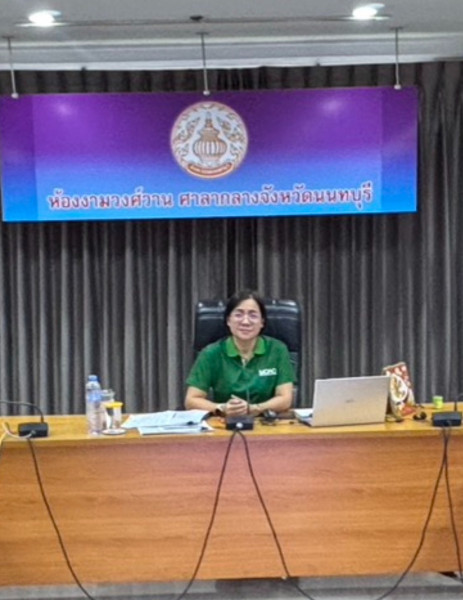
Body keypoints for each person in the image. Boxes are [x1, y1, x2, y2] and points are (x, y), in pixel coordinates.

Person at [185, 290, 294, 417]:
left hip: (266, 421)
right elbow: (191, 400)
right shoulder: (211, 353)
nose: (245, 322)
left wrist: (255, 408)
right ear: (228, 320)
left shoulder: (277, 350)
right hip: (224, 422)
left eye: (253, 315)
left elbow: (285, 399)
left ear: (262, 322)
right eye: (238, 315)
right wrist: (221, 408)